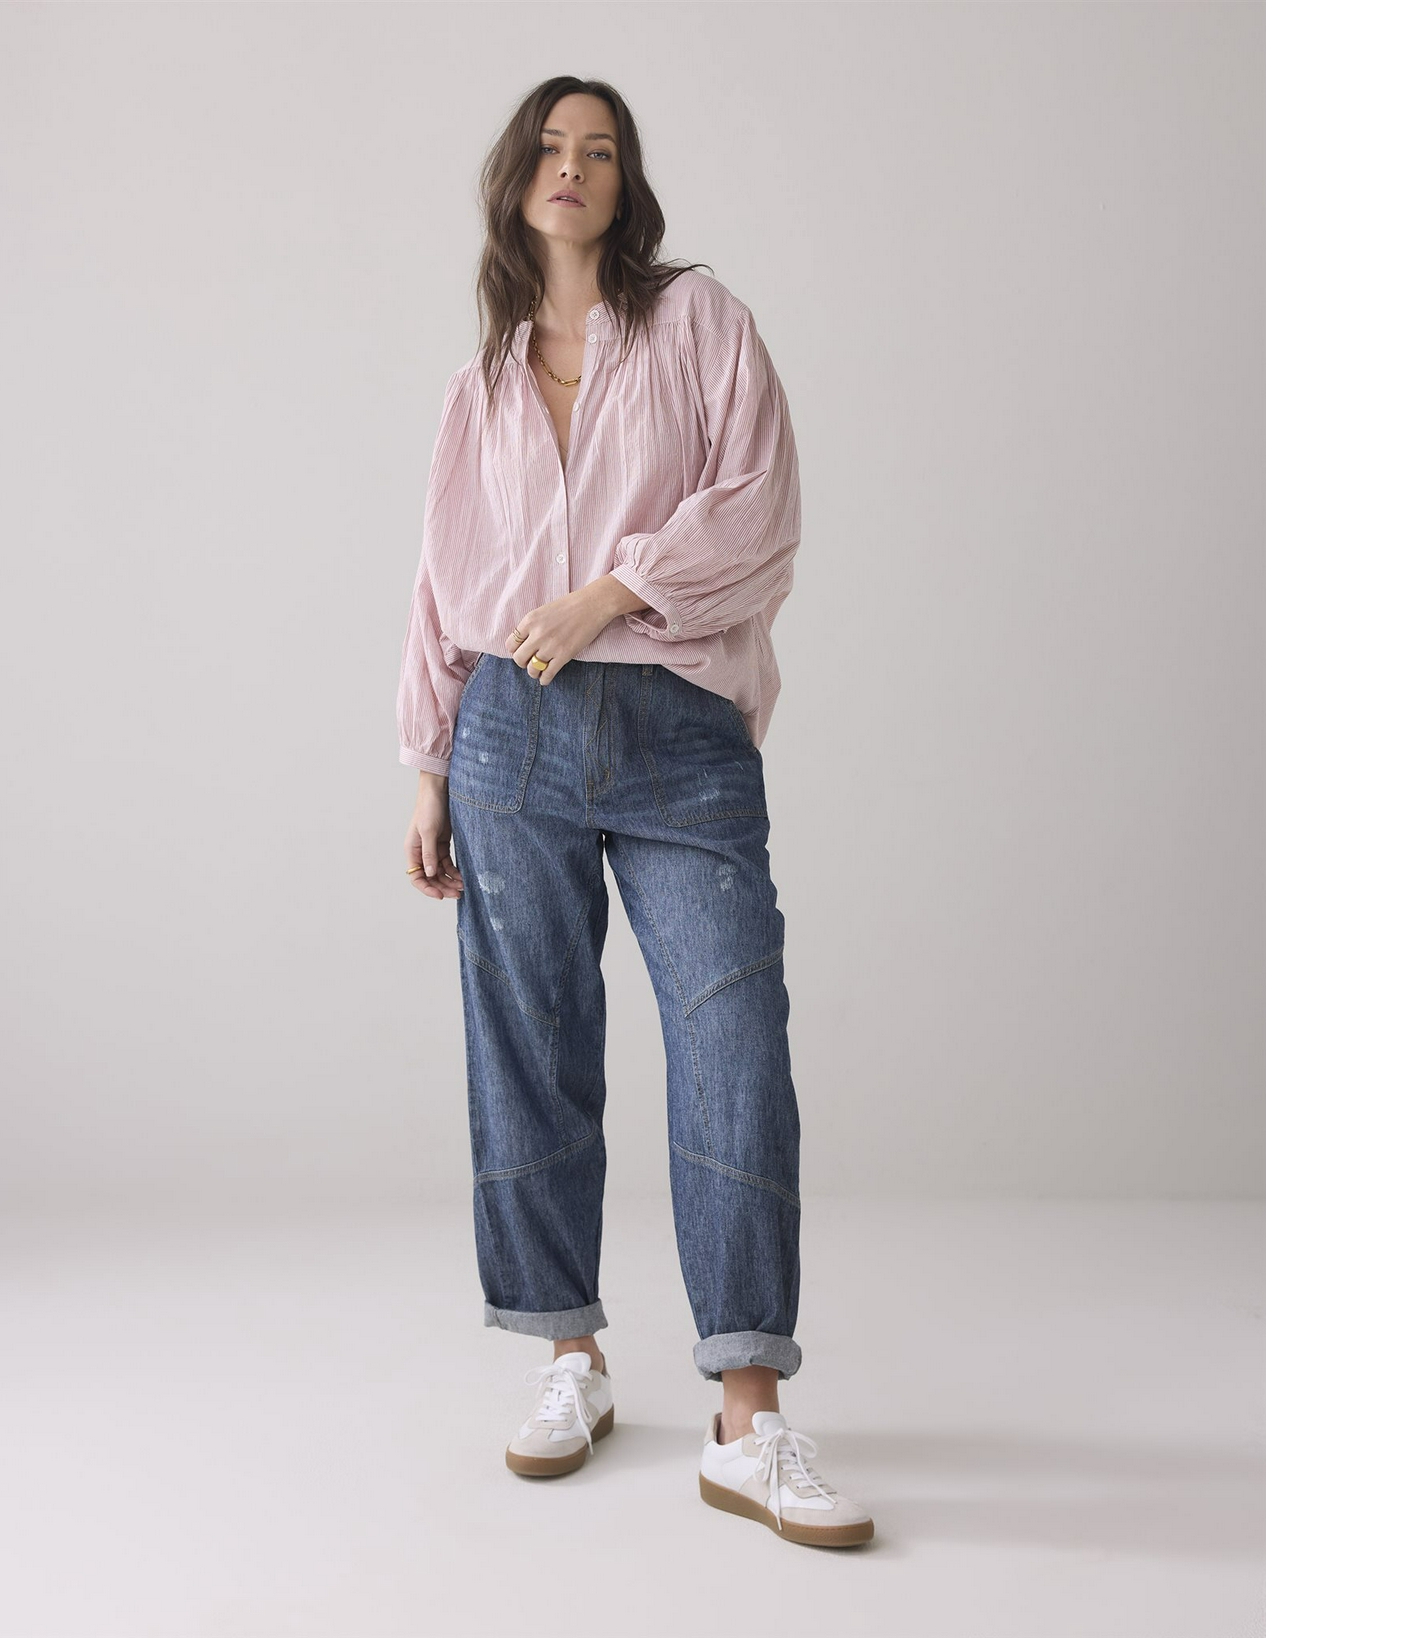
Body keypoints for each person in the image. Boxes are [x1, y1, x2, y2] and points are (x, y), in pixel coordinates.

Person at [396, 76, 872, 1548]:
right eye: (550, 147)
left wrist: (607, 592)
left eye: (598, 150)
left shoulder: (700, 325)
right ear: (515, 180)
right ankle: (569, 1356)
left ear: (625, 183)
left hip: (677, 733)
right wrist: (427, 763)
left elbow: (761, 509)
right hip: (508, 737)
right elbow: (439, 582)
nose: (573, 167)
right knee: (531, 1038)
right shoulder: (479, 384)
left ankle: (748, 1414)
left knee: (732, 1030)